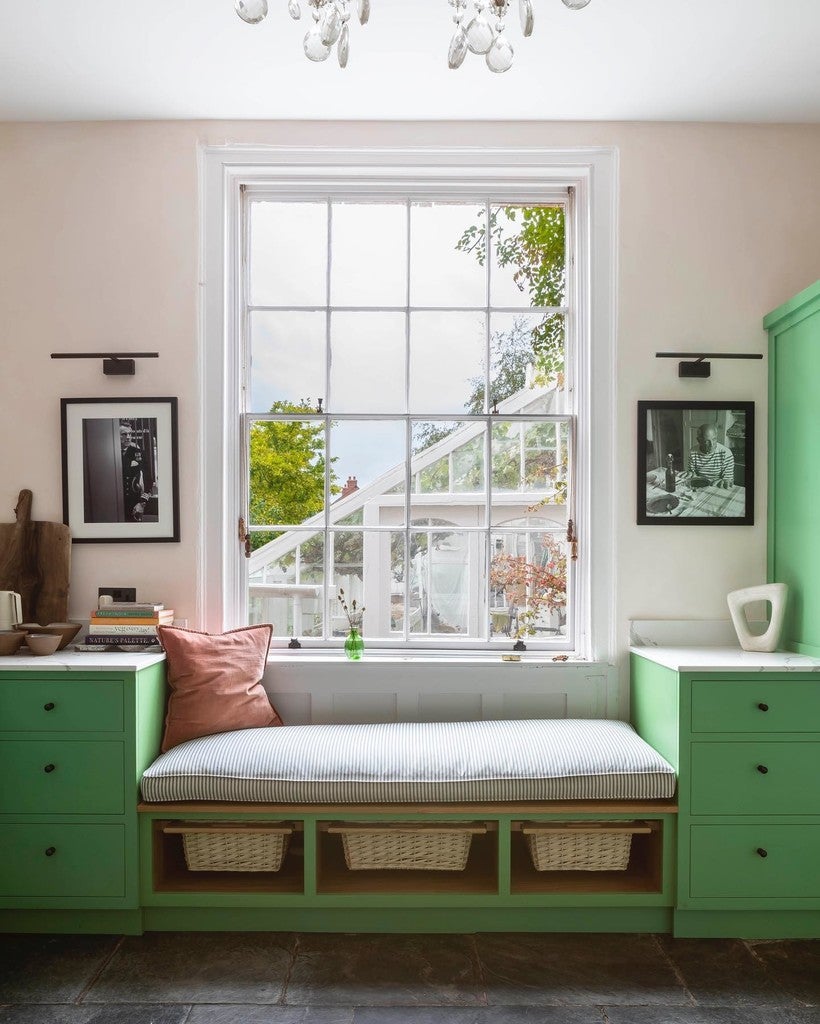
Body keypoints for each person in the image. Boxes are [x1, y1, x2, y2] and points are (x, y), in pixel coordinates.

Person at [688, 423, 734, 488]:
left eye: (714, 439)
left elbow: (727, 479)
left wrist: (725, 481)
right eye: (707, 441)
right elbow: (692, 475)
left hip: (718, 486)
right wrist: (690, 474)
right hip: (700, 485)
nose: (712, 444)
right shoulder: (692, 452)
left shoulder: (726, 453)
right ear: (699, 440)